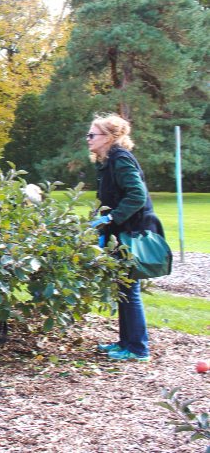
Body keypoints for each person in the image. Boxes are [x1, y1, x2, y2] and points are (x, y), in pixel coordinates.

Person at [87, 113, 163, 363]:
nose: (88, 139)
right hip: (121, 231)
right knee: (124, 288)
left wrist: (111, 219)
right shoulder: (108, 161)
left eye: (92, 135)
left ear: (108, 137)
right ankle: (126, 343)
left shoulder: (120, 159)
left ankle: (138, 349)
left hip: (132, 232)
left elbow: (137, 196)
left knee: (129, 289)